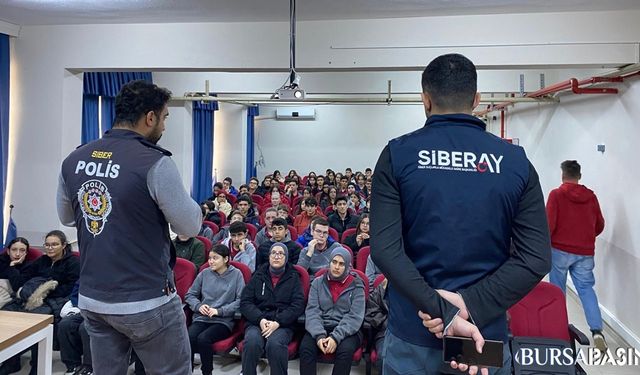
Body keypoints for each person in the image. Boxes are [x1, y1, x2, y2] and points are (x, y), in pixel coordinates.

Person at [370, 54, 551, 375]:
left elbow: (386, 250)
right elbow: (535, 258)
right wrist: (470, 304)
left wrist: (444, 310)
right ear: (477, 100)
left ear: (425, 100)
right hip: (482, 333)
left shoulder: (398, 155)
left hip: (415, 332)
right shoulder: (515, 161)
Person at [57, 80, 202, 375]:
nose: (162, 127)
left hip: (94, 299)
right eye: (163, 118)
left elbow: (66, 217)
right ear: (150, 117)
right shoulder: (154, 162)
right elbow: (190, 224)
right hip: (146, 301)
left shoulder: (74, 159)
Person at [546, 160, 607, 351]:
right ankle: (597, 331)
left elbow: (549, 224)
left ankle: (559, 330)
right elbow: (599, 224)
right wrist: (585, 239)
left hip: (559, 251)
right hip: (585, 253)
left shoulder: (556, 195)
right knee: (587, 290)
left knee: (557, 290)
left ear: (563, 175)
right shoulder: (591, 197)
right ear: (579, 176)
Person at [1, 231, 80, 375]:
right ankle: (11, 362)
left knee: (37, 322)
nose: (50, 248)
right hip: (32, 298)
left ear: (63, 245)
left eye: (54, 244)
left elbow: (69, 288)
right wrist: (13, 267)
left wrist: (43, 292)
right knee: (7, 311)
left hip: (56, 300)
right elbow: (20, 282)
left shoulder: (73, 262)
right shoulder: (42, 261)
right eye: (47, 245)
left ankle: (37, 365)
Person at [240, 242, 305, 375]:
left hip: (282, 324)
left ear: (286, 258)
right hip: (258, 322)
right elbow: (245, 302)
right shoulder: (258, 275)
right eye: (273, 253)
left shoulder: (294, 277)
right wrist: (260, 320)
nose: (277, 256)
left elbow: (297, 305)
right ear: (269, 256)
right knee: (252, 342)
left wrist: (278, 322)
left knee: (275, 345)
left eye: (281, 253)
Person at [299, 248, 365, 375]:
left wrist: (335, 337)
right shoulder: (317, 283)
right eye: (334, 262)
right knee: (306, 347)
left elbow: (355, 317)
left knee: (345, 351)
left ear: (347, 266)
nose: (336, 267)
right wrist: (319, 336)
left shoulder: (357, 286)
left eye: (341, 264)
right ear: (329, 263)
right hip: (321, 326)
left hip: (348, 331)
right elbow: (312, 311)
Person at [185, 244, 245, 375]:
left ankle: (207, 372)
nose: (211, 261)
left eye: (215, 258)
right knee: (189, 337)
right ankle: (187, 371)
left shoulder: (236, 275)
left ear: (226, 259)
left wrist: (220, 311)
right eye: (210, 258)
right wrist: (199, 306)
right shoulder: (204, 273)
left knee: (204, 339)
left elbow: (241, 301)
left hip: (223, 321)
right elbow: (190, 295)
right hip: (202, 317)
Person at [364, 276, 388, 374]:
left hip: (410, 334)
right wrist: (389, 322)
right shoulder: (381, 289)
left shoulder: (414, 292)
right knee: (384, 358)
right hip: (385, 333)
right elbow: (371, 313)